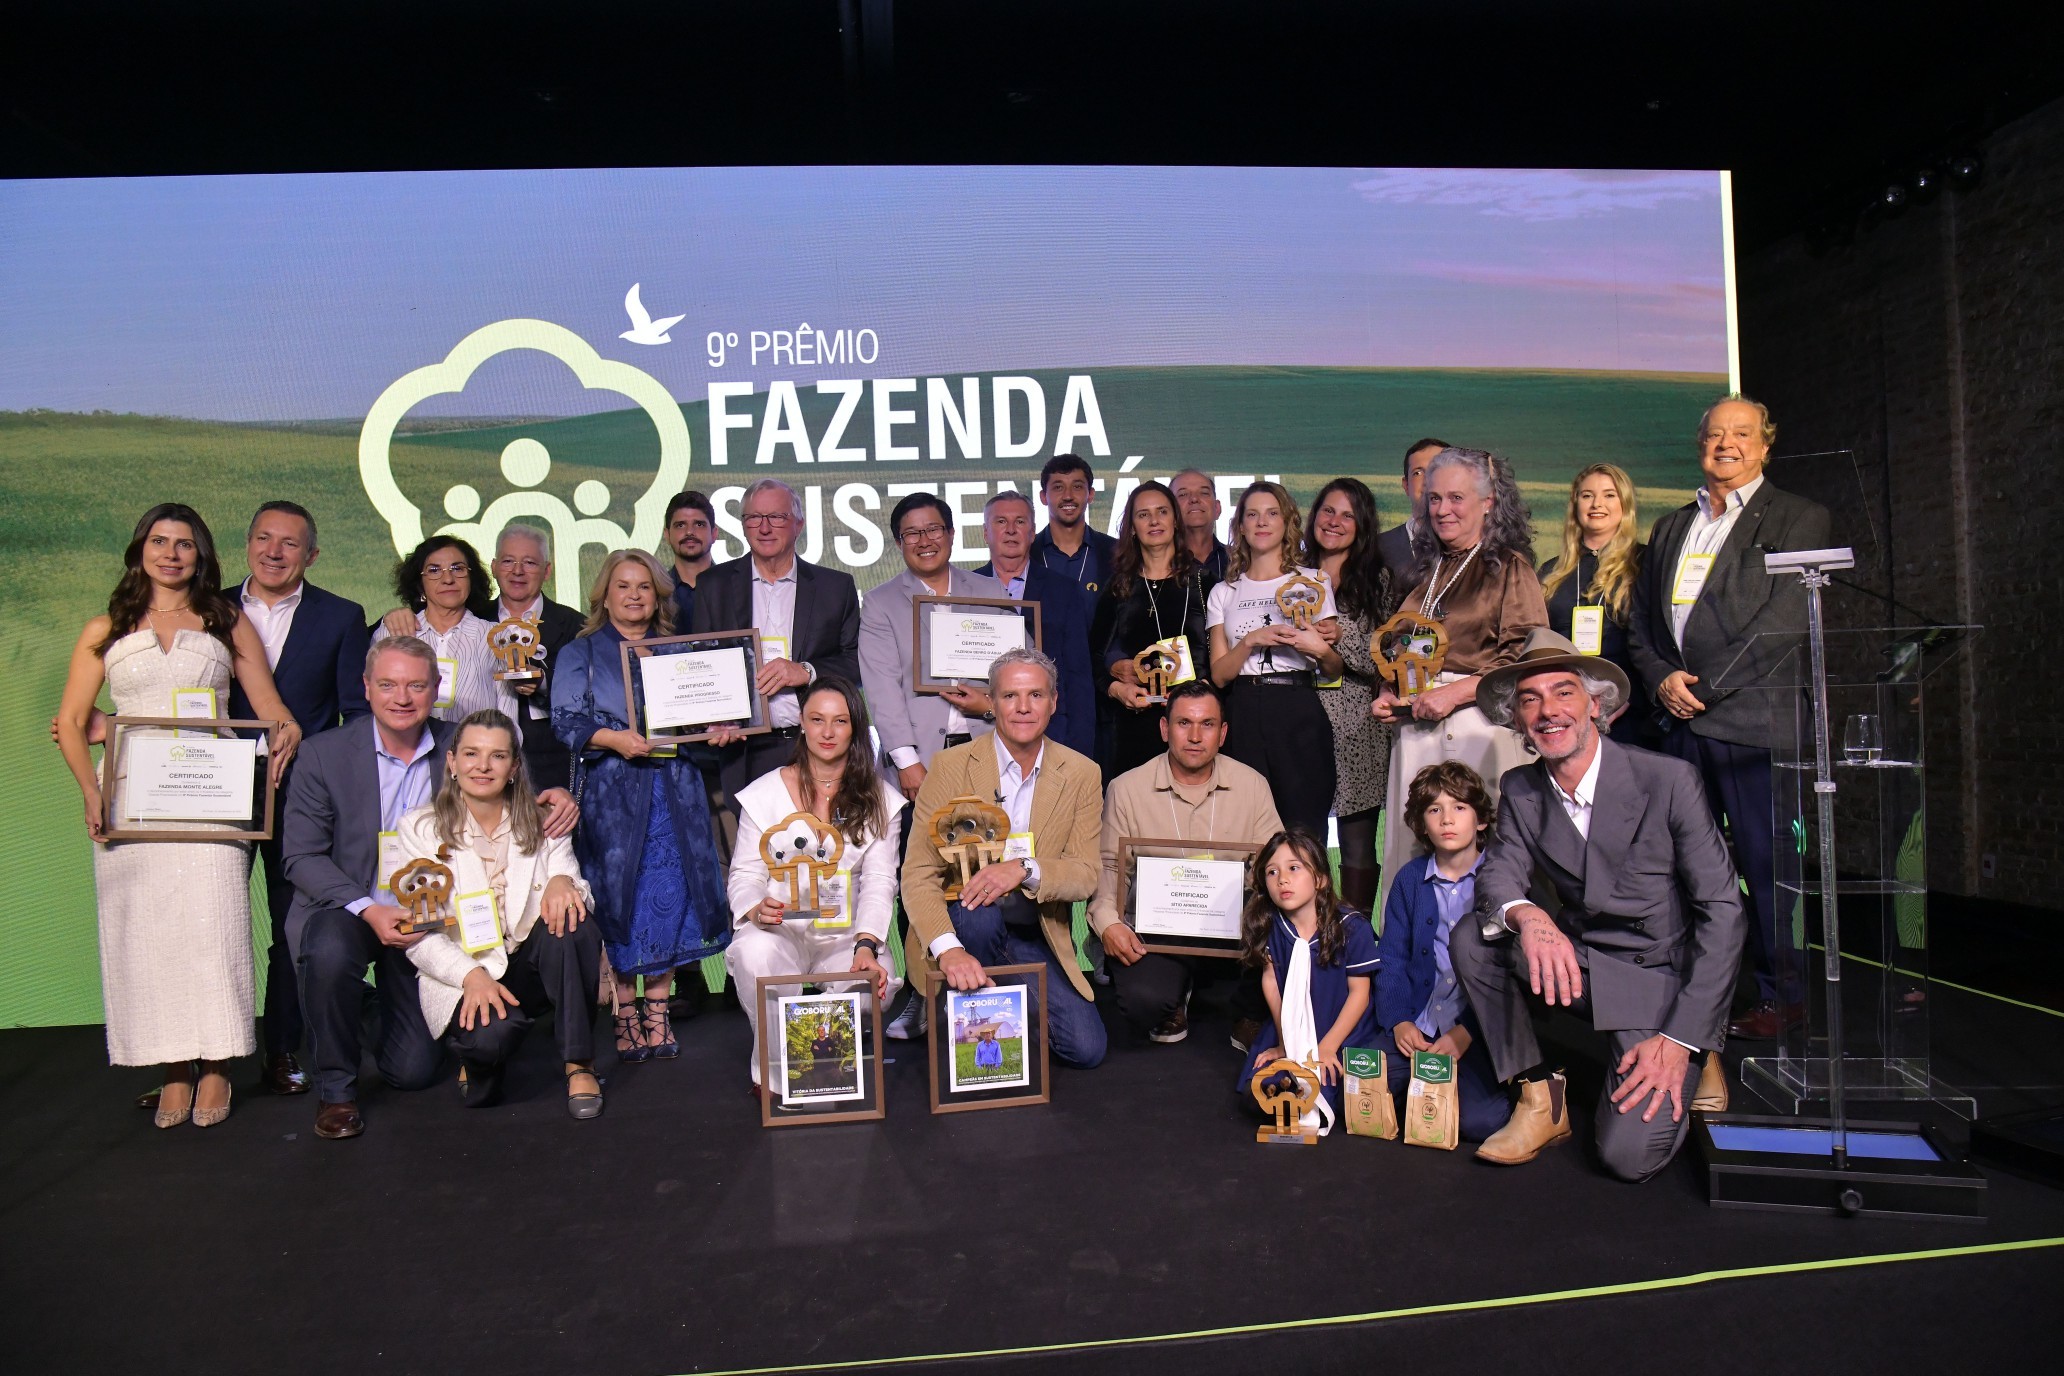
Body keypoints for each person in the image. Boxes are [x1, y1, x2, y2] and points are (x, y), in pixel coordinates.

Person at [1454, 630, 1743, 1180]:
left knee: (1627, 1158)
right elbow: (1498, 875)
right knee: (1474, 936)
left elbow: (1724, 912)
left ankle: (1701, 1050)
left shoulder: (1668, 779)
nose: (1548, 711)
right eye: (1530, 699)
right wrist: (1529, 915)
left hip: (1658, 979)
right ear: (1517, 718)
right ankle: (1539, 1097)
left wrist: (1681, 1038)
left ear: (1595, 704)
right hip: (1583, 963)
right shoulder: (1521, 787)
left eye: (1563, 692)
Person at [55, 503, 304, 1129]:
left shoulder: (226, 621)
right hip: (132, 803)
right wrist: (90, 792)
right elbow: (71, 721)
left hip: (212, 803)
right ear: (140, 550)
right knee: (147, 936)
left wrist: (286, 732)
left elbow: (269, 705)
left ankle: (217, 1064)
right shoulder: (105, 628)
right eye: (159, 541)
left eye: (184, 544)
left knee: (215, 928)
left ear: (201, 555)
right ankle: (172, 1068)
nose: (171, 554)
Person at [283, 635, 579, 1140]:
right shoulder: (322, 754)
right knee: (328, 950)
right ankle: (337, 1091)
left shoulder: (458, 743)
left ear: (436, 688)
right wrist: (369, 909)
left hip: (434, 922)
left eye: (416, 686)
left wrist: (558, 797)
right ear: (366, 687)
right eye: (388, 685)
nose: (402, 698)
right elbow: (301, 856)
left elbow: (513, 790)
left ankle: (368, 1008)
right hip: (353, 908)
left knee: (413, 1072)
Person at [1627, 396, 1832, 1042]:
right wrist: (1662, 679)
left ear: (1765, 445)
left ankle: (1782, 998)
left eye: (1741, 434)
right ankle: (1691, 996)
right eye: (1715, 434)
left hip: (1752, 725)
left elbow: (1784, 624)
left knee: (1770, 871)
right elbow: (1642, 626)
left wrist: (1705, 689)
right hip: (1678, 725)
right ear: (1700, 446)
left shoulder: (1800, 517)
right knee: (1680, 871)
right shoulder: (1671, 527)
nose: (1726, 445)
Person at [552, 550, 730, 1062]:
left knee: (671, 898)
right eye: (623, 586)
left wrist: (717, 728)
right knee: (619, 901)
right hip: (613, 798)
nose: (634, 595)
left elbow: (701, 720)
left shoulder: (680, 653)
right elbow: (565, 721)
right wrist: (613, 739)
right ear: (604, 596)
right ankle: (624, 1011)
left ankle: (658, 1010)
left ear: (658, 596)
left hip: (676, 793)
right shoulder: (580, 653)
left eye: (644, 587)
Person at [900, 648, 1107, 1067]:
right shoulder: (950, 765)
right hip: (962, 926)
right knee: (978, 916)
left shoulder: (1083, 773)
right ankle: (960, 1009)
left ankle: (993, 1009)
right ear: (991, 703)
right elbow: (918, 873)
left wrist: (1024, 869)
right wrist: (948, 949)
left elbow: (1086, 874)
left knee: (1086, 1050)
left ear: (1053, 702)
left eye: (1036, 695)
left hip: (1034, 930)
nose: (1023, 707)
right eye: (1011, 696)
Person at [395, 709, 603, 1119]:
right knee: (491, 1046)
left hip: (530, 965)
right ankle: (478, 1058)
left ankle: (579, 1063)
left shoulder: (543, 821)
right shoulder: (419, 829)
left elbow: (579, 893)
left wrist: (564, 881)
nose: (483, 766)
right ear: (452, 762)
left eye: (498, 756)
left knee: (574, 921)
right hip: (467, 970)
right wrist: (470, 976)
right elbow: (420, 935)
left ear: (514, 767)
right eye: (471, 754)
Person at [229, 501, 370, 1095]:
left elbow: (355, 713)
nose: (274, 552)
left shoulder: (341, 616)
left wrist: (325, 779)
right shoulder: (206, 608)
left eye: (289, 543)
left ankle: (283, 1049)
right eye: (264, 538)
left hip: (300, 797)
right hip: (211, 789)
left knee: (293, 923)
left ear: (310, 555)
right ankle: (198, 1061)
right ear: (247, 543)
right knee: (208, 920)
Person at [1371, 447, 1545, 920]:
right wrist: (1390, 692)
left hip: (1478, 728)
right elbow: (1402, 648)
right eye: (1434, 499)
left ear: (1488, 502)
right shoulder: (1427, 572)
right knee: (1413, 850)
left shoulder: (1508, 567)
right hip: (1419, 729)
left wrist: (1455, 693)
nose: (1442, 509)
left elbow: (1525, 659)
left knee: (1478, 852)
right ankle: (1410, 954)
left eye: (1456, 498)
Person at [723, 677, 906, 1092]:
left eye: (840, 721)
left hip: (844, 933)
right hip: (779, 928)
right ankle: (773, 1074)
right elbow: (745, 875)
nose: (827, 732)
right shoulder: (765, 793)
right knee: (753, 952)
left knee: (874, 988)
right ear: (802, 723)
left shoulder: (880, 798)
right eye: (817, 719)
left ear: (855, 727)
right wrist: (755, 908)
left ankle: (830, 1064)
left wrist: (866, 945)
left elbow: (880, 880)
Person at [1090, 680, 1282, 1044]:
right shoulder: (1126, 788)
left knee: (1284, 925)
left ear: (1222, 733)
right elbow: (1110, 869)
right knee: (1143, 1002)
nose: (1195, 736)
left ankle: (1250, 1010)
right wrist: (1108, 923)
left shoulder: (1252, 785)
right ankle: (1173, 997)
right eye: (1184, 723)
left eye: (1207, 724)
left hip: (1234, 928)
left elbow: (1275, 865)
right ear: (1165, 729)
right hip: (1159, 932)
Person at [691, 478, 863, 798]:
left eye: (776, 517)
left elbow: (857, 662)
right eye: (754, 517)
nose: (764, 527)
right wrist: (713, 720)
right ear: (743, 526)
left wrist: (806, 671)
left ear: (799, 524)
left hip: (815, 746)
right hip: (743, 751)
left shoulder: (835, 587)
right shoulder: (713, 585)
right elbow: (700, 663)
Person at [1373, 763, 1512, 1143]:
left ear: (1481, 820)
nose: (1447, 819)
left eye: (1459, 808)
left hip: (1474, 1029)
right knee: (1357, 1090)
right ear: (1422, 824)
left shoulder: (1501, 879)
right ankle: (1418, 1088)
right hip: (1418, 1021)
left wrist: (1467, 1032)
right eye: (1434, 809)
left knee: (1479, 1123)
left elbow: (1509, 975)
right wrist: (1399, 1021)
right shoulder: (1409, 880)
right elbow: (1392, 959)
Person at [1206, 480, 1345, 835]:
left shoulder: (1313, 582)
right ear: (1240, 526)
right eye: (1252, 515)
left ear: (1287, 522)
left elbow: (1333, 669)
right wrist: (1251, 641)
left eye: (1271, 513)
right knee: (1244, 827)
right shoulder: (1224, 591)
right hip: (1243, 709)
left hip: (1297, 705)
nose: (1262, 522)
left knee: (1304, 827)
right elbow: (1219, 675)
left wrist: (1318, 647)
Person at [857, 493, 1007, 802]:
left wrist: (989, 704)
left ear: (951, 534)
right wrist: (906, 762)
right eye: (912, 533)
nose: (925, 541)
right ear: (899, 543)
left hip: (992, 750)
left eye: (934, 529)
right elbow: (883, 690)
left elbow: (1021, 669)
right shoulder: (880, 603)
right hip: (922, 760)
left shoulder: (991, 591)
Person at [1235, 826, 1380, 1132]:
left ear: (1321, 879)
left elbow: (1360, 994)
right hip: (1292, 1025)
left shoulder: (1352, 927)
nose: (1282, 879)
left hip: (1340, 1027)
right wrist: (1284, 1041)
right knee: (1258, 1094)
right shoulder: (1270, 925)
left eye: (1294, 868)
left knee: (1327, 1090)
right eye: (1272, 872)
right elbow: (1272, 983)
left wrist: (1327, 1047)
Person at [1302, 478, 1394, 912]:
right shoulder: (1290, 574)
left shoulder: (1378, 579)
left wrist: (1342, 634)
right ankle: (1308, 933)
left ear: (1362, 525)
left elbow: (1387, 657)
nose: (1334, 522)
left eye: (1347, 515)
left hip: (1358, 725)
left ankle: (1354, 935)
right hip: (1301, 718)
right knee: (1304, 840)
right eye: (1328, 511)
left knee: (1358, 844)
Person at [1091, 480, 1213, 778]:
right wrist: (1117, 689)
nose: (1154, 521)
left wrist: (1204, 691)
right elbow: (1093, 657)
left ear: (1175, 520)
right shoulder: (1119, 586)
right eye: (1143, 514)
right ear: (1132, 527)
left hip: (1195, 725)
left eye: (1162, 511)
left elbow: (1222, 658)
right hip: (1135, 725)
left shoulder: (1205, 582)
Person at [1538, 464, 1658, 749]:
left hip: (1630, 711)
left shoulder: (1646, 563)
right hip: (1565, 712)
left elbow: (1657, 641)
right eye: (1587, 495)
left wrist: (1627, 698)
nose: (1597, 504)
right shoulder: (1552, 572)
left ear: (1624, 504)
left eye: (1609, 495)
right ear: (1575, 504)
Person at [976, 490, 1095, 760]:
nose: (1010, 530)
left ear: (1032, 533)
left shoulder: (1064, 590)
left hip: (1053, 735)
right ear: (985, 533)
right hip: (980, 732)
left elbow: (1078, 677)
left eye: (1020, 522)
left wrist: (1079, 753)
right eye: (1000, 521)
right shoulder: (965, 589)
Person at [486, 523, 585, 792]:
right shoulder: (473, 620)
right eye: (508, 561)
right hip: (481, 765)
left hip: (551, 768)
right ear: (494, 567)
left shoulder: (576, 626)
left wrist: (542, 682)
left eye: (529, 562)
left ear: (547, 571)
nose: (517, 571)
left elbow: (589, 694)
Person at [380, 534, 518, 728]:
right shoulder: (393, 632)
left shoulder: (497, 637)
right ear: (419, 583)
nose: (448, 579)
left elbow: (508, 717)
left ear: (471, 578)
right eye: (434, 570)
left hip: (476, 746)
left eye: (458, 569)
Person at [1030, 454, 1117, 611]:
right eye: (1058, 487)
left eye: (1077, 487)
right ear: (1043, 497)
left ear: (1091, 494)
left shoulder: (1116, 552)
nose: (1068, 496)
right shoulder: (1027, 552)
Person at [1376, 437, 1450, 589]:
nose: (1428, 479)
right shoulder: (1377, 549)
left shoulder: (1480, 546)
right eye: (1418, 473)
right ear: (1406, 485)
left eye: (1437, 469)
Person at [662, 489, 716, 629]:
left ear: (714, 533)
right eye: (680, 525)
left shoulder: (736, 589)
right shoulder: (657, 593)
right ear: (667, 535)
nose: (689, 532)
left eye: (699, 524)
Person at [1170, 468, 1229, 585]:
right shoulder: (1159, 565)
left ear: (1217, 508)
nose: (1194, 499)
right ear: (1170, 510)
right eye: (1183, 494)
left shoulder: (1240, 561)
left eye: (1204, 493)